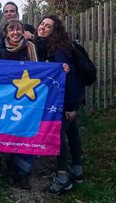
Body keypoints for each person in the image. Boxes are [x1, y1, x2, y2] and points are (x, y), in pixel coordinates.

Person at [34, 15, 85, 196]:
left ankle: (62, 176)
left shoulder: (58, 51)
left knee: (58, 135)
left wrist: (70, 106)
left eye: (48, 26)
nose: (43, 28)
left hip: (66, 99)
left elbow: (69, 78)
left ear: (54, 31)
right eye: (42, 24)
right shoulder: (47, 46)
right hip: (65, 98)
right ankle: (77, 172)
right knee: (72, 132)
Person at [0, 19, 39, 190]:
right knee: (9, 132)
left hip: (27, 96)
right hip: (6, 97)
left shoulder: (30, 46)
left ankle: (24, 173)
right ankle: (11, 166)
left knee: (27, 132)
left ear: (23, 31)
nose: (15, 32)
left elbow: (38, 70)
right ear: (6, 32)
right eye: (11, 29)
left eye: (18, 29)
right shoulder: (0, 49)